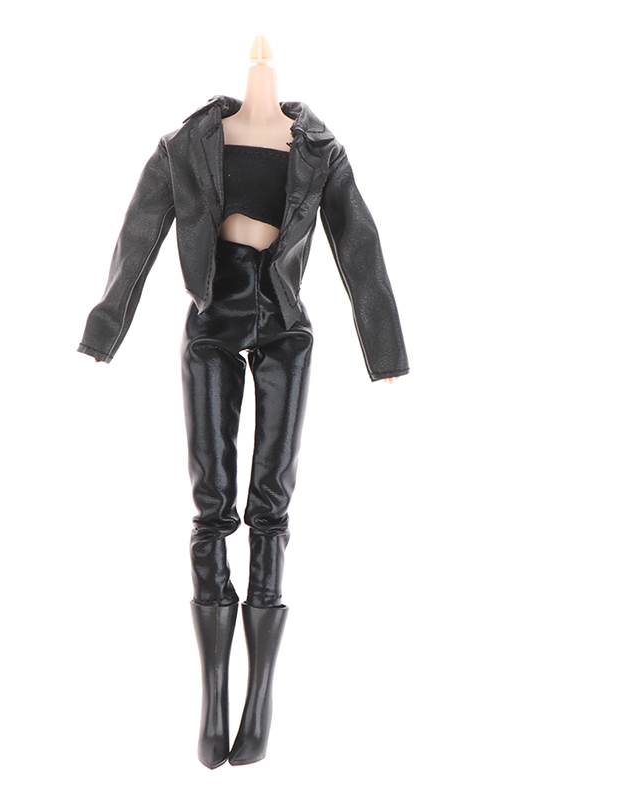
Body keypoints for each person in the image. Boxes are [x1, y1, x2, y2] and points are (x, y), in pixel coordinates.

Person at [77, 36, 409, 768]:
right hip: (211, 323)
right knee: (211, 504)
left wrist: (384, 353)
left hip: (285, 325)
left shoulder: (319, 150)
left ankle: (259, 700)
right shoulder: (187, 144)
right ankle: (215, 697)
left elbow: (360, 248)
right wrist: (102, 332)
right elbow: (138, 236)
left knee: (271, 506)